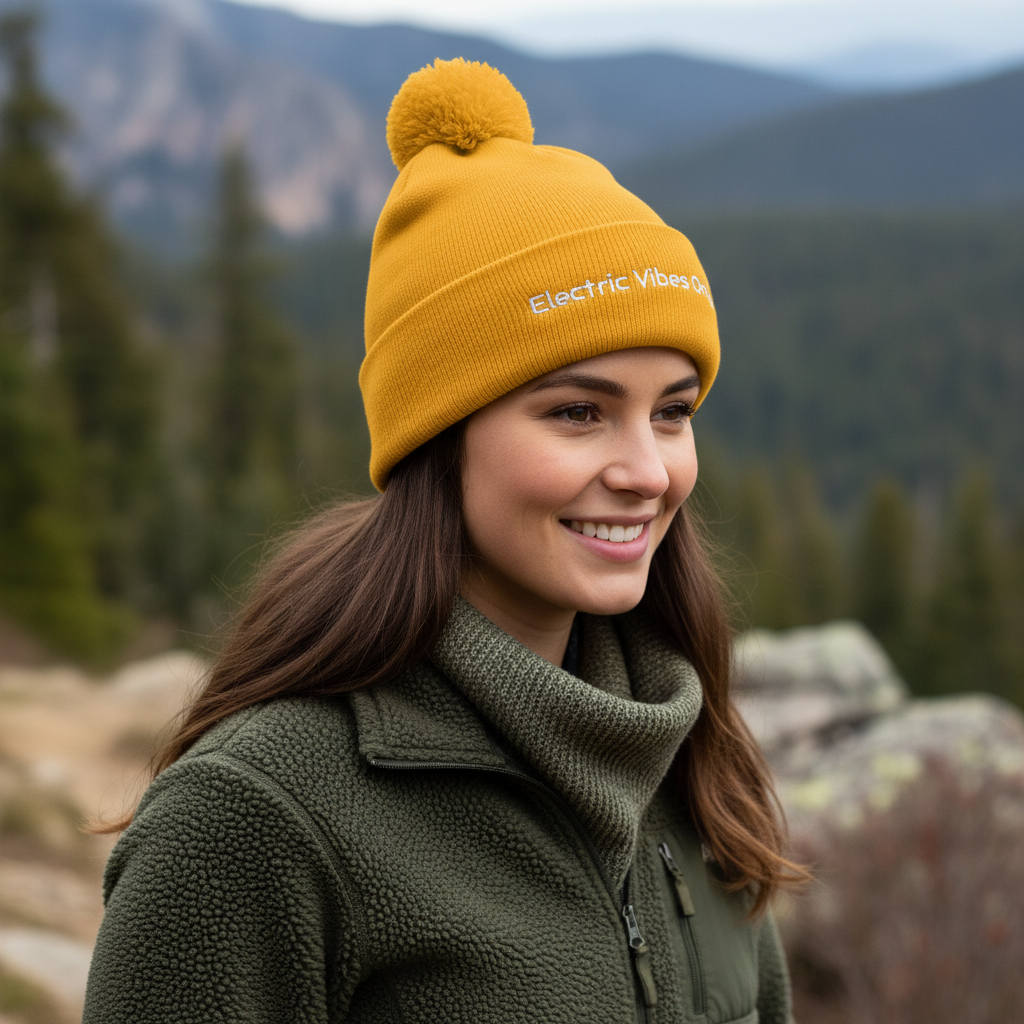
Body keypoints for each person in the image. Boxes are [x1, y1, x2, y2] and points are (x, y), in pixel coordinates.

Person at [83, 58, 805, 1024]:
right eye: (579, 413)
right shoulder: (257, 819)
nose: (647, 469)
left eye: (672, 413)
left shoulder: (687, 757)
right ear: (439, 436)